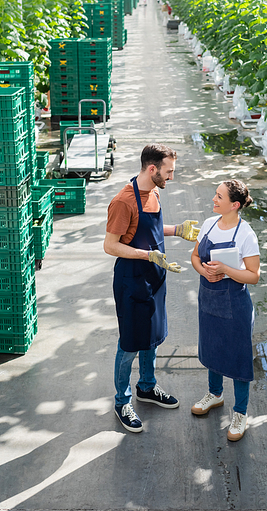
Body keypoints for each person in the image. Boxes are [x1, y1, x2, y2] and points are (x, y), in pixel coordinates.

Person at [104, 143, 200, 433]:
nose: (171, 177)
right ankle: (122, 401)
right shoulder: (123, 201)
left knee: (152, 337)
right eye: (168, 172)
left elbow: (153, 229)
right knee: (130, 343)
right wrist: (147, 255)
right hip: (132, 279)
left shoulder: (154, 191)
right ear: (152, 169)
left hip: (155, 276)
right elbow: (110, 245)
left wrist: (177, 230)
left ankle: (147, 386)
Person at [190, 179, 260, 442]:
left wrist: (225, 270)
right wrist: (205, 273)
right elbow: (195, 257)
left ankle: (240, 413)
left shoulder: (246, 234)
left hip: (235, 305)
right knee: (212, 347)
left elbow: (253, 276)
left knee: (239, 358)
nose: (213, 200)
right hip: (208, 300)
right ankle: (215, 394)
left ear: (235, 205)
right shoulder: (209, 225)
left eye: (219, 197)